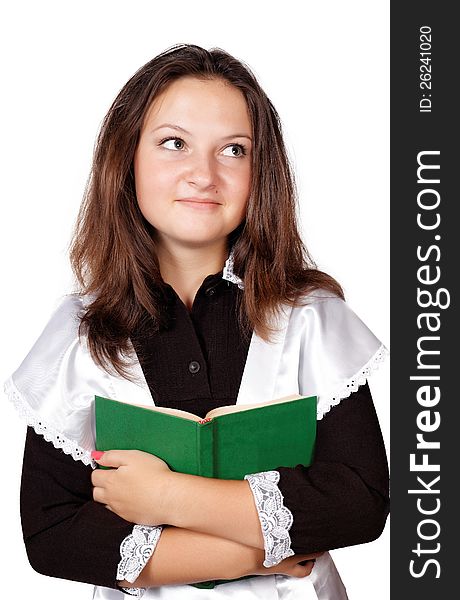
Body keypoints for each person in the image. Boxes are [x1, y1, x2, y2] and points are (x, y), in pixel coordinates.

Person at [4, 44, 389, 599]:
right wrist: (261, 556)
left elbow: (360, 501)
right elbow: (52, 533)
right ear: (126, 158)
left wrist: (167, 498)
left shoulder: (309, 317)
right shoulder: (81, 332)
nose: (203, 174)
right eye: (174, 143)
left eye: (233, 150)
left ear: (263, 172)